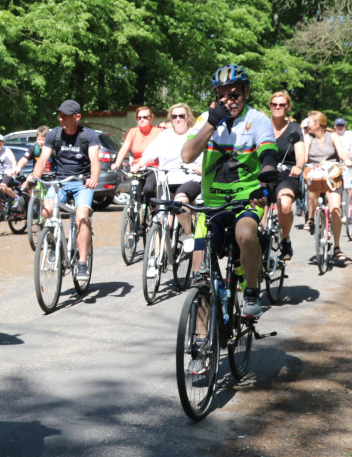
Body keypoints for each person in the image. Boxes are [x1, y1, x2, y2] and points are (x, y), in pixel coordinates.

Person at [182, 65, 278, 318]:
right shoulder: (206, 119)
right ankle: (201, 345)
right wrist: (212, 124)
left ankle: (252, 292)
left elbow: (268, 151)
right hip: (211, 202)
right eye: (222, 95)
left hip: (248, 198)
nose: (228, 100)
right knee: (200, 278)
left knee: (245, 234)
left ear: (246, 93)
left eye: (234, 94)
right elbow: (187, 154)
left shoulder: (257, 120)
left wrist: (267, 171)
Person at [30, 99, 100, 285]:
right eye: (60, 115)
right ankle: (54, 242)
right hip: (60, 181)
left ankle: (83, 262)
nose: (61, 118)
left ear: (77, 117)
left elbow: (94, 159)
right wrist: (34, 178)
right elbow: (43, 157)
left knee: (82, 217)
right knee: (46, 209)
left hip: (82, 183)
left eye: (65, 115)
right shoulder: (54, 134)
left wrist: (93, 177)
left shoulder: (89, 135)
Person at [130, 103, 202, 266]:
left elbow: (204, 155)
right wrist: (140, 163)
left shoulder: (195, 134)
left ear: (188, 117)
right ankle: (156, 257)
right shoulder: (164, 136)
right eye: (174, 116)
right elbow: (150, 152)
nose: (178, 119)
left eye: (181, 116)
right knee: (162, 219)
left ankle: (189, 234)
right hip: (167, 179)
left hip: (189, 178)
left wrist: (200, 167)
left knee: (180, 201)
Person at [303, 111, 350, 263]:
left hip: (332, 174)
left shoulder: (333, 136)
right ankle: (311, 218)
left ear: (318, 124)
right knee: (312, 192)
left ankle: (336, 247)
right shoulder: (308, 137)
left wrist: (347, 160)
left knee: (335, 209)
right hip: (315, 172)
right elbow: (304, 156)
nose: (306, 125)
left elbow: (341, 152)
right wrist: (299, 165)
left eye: (309, 122)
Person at [267, 91, 306, 260]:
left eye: (281, 104)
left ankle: (285, 240)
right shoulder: (263, 126)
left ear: (288, 107)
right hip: (262, 175)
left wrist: (298, 166)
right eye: (274, 104)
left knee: (284, 204)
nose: (277, 107)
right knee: (253, 219)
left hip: (286, 174)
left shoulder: (294, 129)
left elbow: (301, 155)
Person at [111, 106, 161, 205]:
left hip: (153, 168)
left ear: (151, 118)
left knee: (148, 189)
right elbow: (124, 148)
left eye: (145, 117)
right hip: (136, 168)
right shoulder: (133, 132)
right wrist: (117, 164)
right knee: (134, 193)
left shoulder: (157, 132)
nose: (142, 120)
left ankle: (153, 209)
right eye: (139, 117)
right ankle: (133, 215)